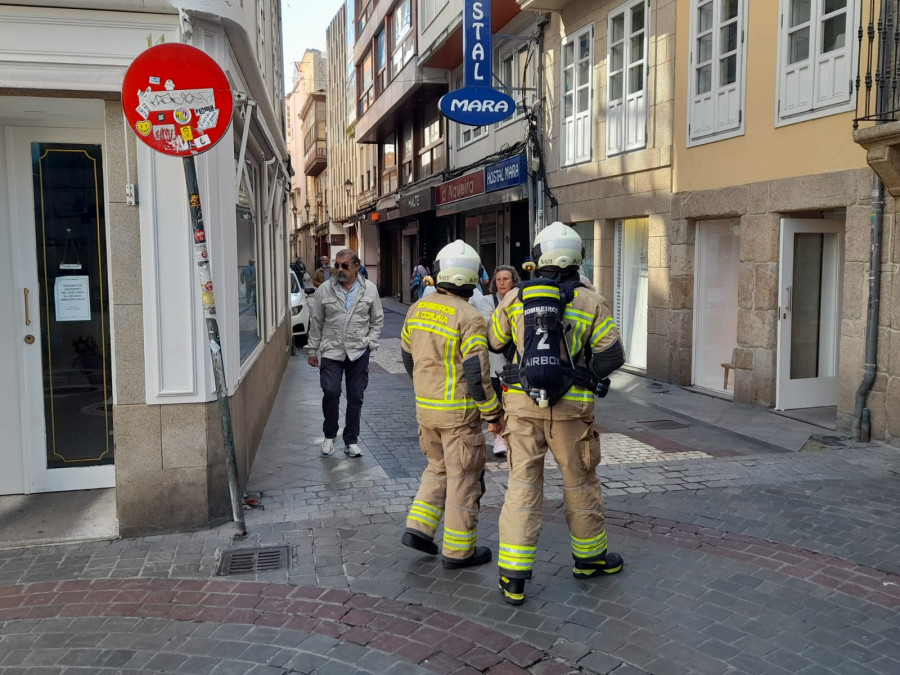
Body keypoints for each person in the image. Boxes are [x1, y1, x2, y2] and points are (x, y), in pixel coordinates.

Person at [488, 222, 626, 606]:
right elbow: (613, 355)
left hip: (522, 407)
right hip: (571, 412)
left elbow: (495, 341)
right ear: (577, 256)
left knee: (522, 486)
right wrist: (584, 376)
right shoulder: (591, 301)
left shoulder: (515, 297)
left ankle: (513, 578)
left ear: (539, 256)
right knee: (580, 484)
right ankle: (589, 559)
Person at [400, 240, 503, 569]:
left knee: (437, 468)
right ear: (473, 278)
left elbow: (407, 356)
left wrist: (424, 387)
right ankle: (459, 552)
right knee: (464, 479)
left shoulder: (418, 308)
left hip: (425, 410)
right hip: (457, 416)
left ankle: (418, 529)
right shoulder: (470, 317)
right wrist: (493, 414)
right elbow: (476, 375)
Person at [306, 249, 384, 458]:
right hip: (332, 350)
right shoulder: (325, 289)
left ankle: (351, 440)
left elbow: (377, 319)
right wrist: (312, 349)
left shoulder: (369, 290)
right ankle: (330, 435)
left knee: (355, 396)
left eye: (344, 266)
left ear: (356, 266)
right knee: (331, 392)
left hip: (358, 351)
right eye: (336, 266)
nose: (339, 270)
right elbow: (316, 322)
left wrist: (370, 343)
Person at [471, 265, 520, 457]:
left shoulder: (519, 299)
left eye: (506, 279)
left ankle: (509, 436)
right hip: (494, 363)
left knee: (512, 402)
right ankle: (499, 438)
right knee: (498, 400)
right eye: (498, 279)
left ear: (513, 281)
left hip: (515, 360)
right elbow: (487, 326)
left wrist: (497, 319)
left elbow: (500, 325)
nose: (501, 283)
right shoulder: (485, 300)